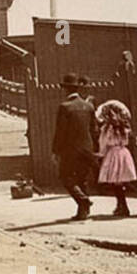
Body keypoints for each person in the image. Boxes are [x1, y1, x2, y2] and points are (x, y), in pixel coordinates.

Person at [51, 73, 96, 221]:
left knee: (65, 177)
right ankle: (82, 212)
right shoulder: (89, 106)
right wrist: (94, 149)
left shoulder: (65, 107)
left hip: (70, 150)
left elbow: (60, 132)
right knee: (82, 179)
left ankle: (83, 200)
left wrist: (55, 151)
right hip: (87, 149)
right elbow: (93, 130)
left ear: (65, 89)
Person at [95, 99, 137, 216]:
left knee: (115, 182)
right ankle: (121, 205)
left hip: (113, 154)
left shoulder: (107, 129)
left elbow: (104, 143)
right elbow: (128, 141)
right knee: (120, 181)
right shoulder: (124, 128)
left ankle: (122, 205)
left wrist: (101, 154)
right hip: (123, 153)